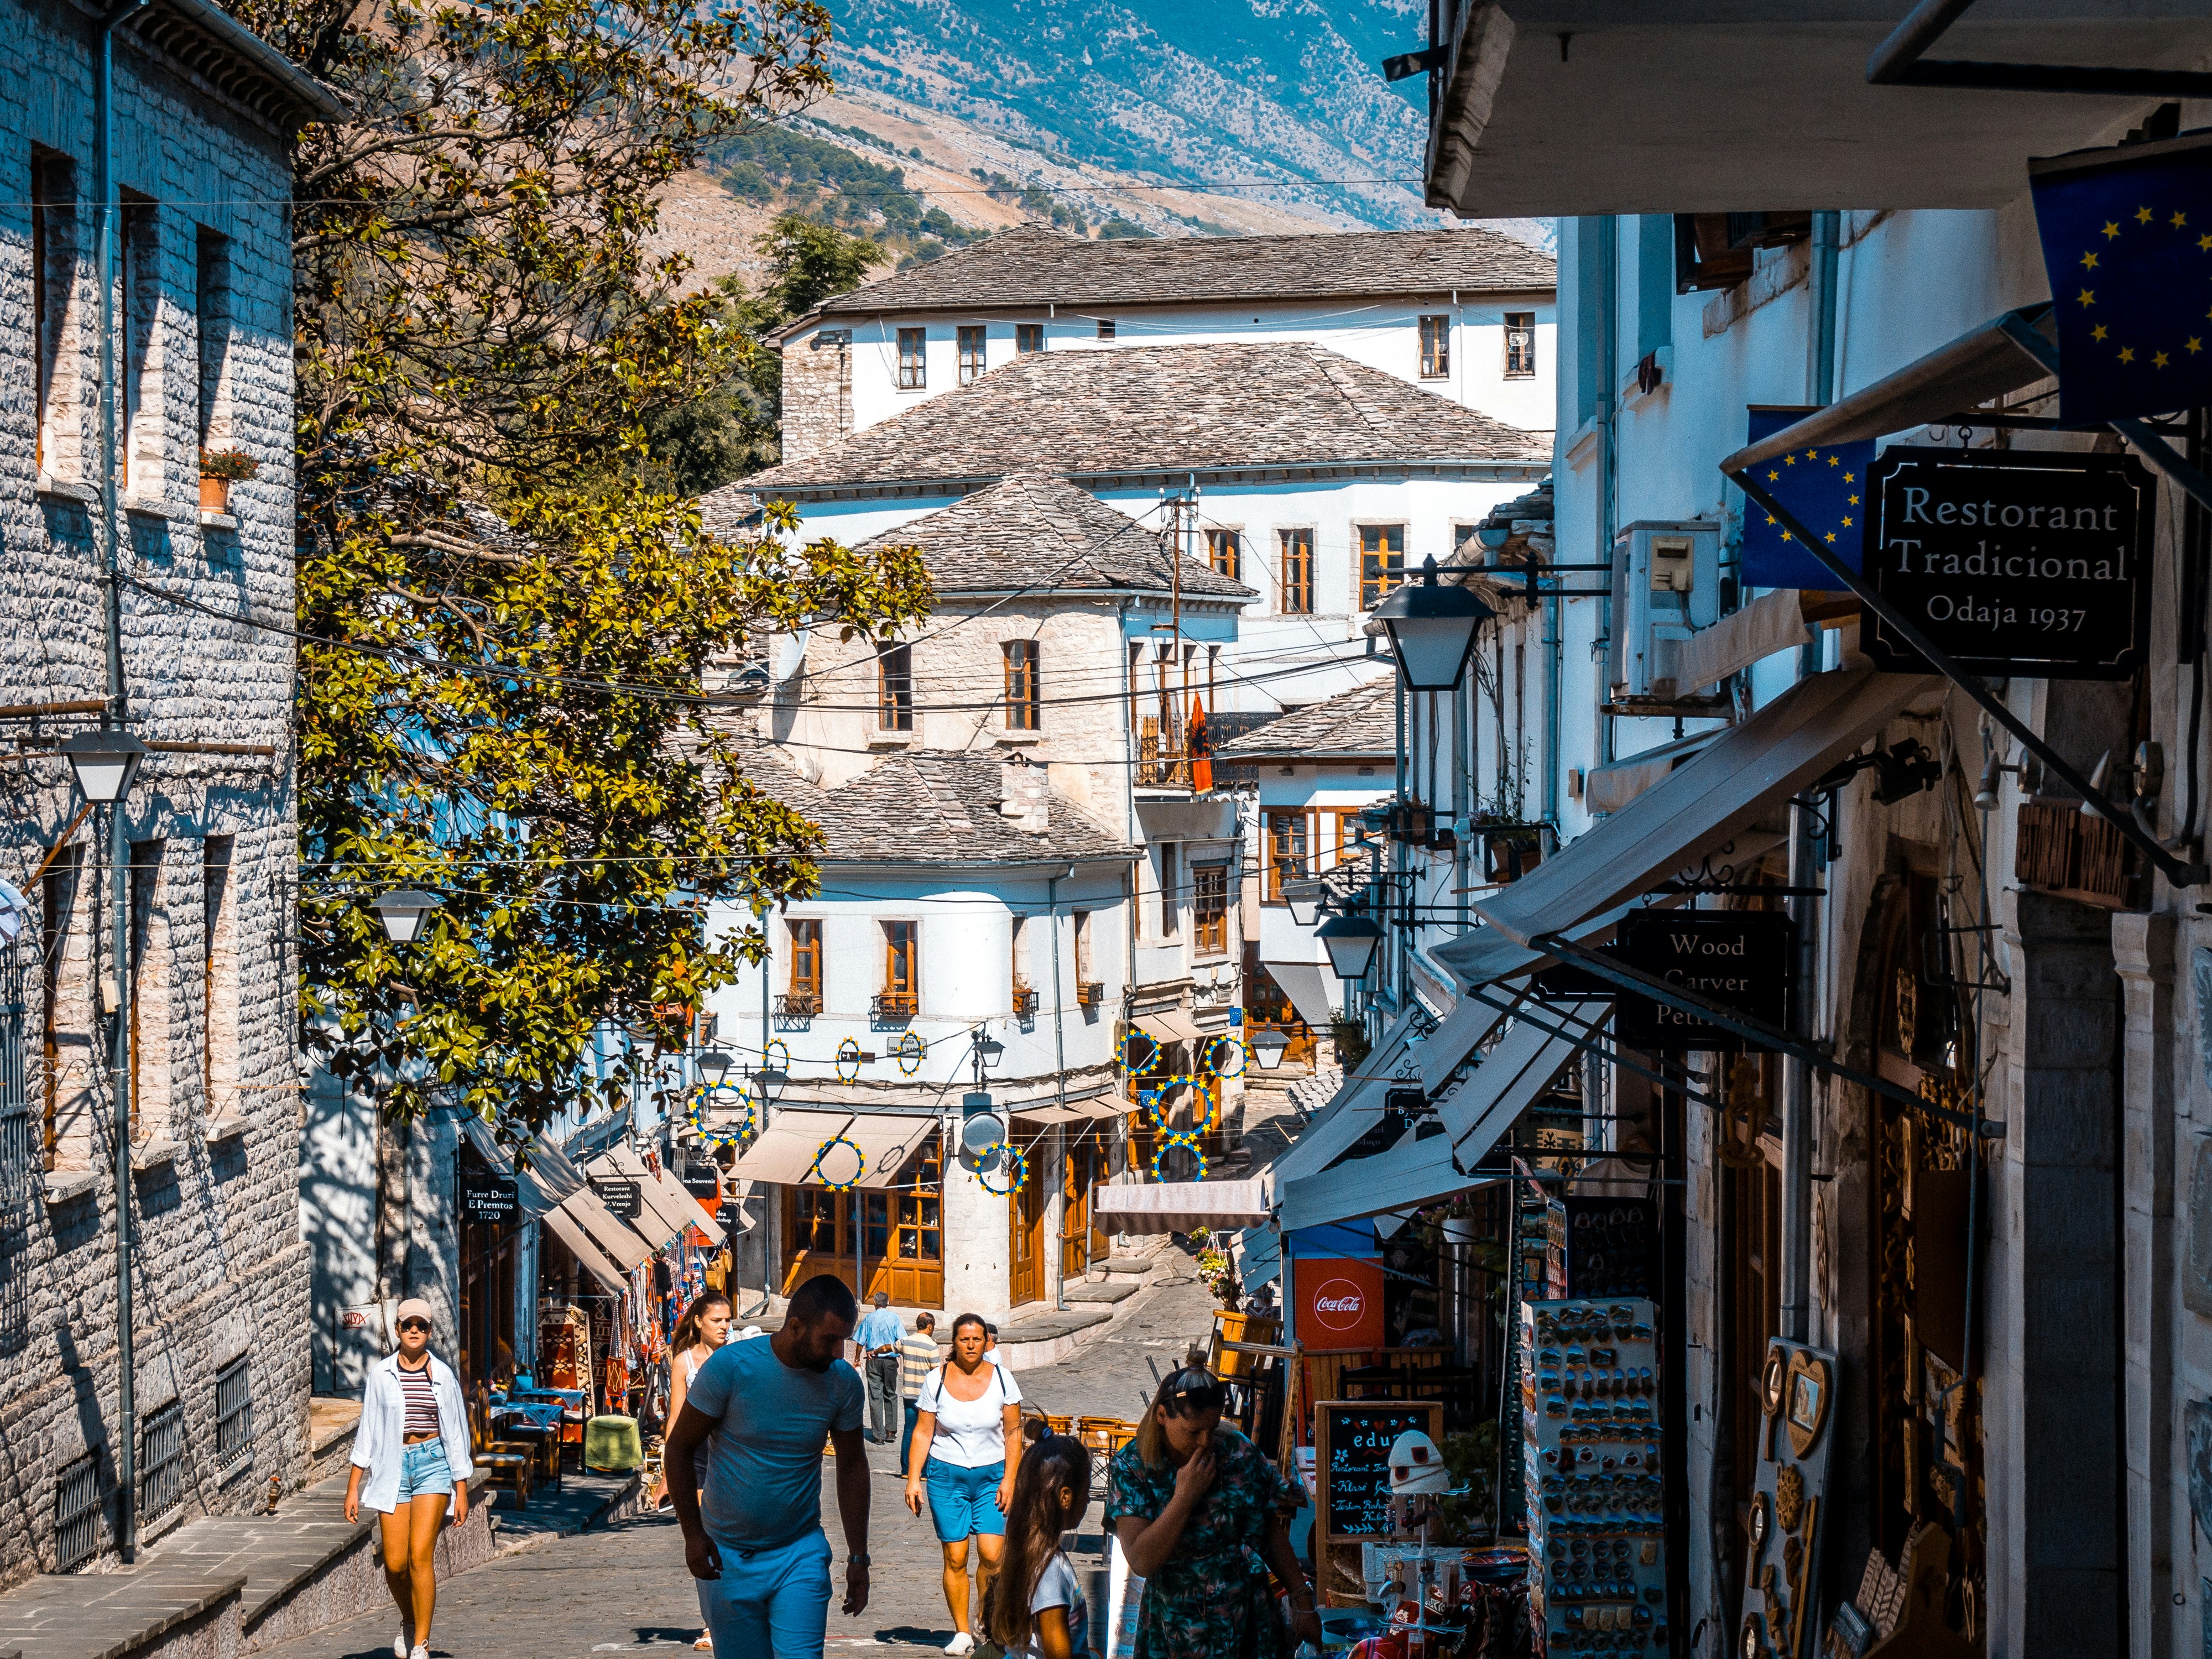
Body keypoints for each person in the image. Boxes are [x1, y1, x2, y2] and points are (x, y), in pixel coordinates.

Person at [665, 1274, 873, 1659]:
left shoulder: (842, 1383)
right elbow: (678, 1448)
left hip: (800, 1553)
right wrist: (693, 1535)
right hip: (727, 1558)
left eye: (844, 1339)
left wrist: (859, 1556)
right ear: (795, 1327)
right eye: (829, 1340)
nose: (839, 1353)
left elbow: (852, 1467)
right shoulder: (732, 1368)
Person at [1104, 1366, 1323, 1659]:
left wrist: (1302, 1598)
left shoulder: (1236, 1450)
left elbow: (1268, 1532)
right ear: (1161, 1416)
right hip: (1177, 1628)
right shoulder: (1133, 1467)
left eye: (1213, 1428)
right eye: (1194, 1431)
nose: (1205, 1442)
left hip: (1249, 1621)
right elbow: (1142, 1560)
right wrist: (1185, 1496)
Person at [343, 1298, 473, 1659]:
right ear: (397, 1330)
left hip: (433, 1464)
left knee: (420, 1556)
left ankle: (422, 1644)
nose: (415, 1331)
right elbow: (368, 1431)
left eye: (422, 1325)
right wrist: (354, 1487)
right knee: (395, 1563)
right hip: (391, 1466)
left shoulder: (443, 1376)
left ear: (430, 1332)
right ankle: (409, 1619)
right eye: (408, 1325)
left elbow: (456, 1434)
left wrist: (461, 1490)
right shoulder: (381, 1375)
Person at [905, 1312, 1024, 1657]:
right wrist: (914, 1479)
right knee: (955, 1556)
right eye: (964, 1339)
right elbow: (924, 1430)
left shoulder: (1003, 1378)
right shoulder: (936, 1379)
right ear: (953, 1342)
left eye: (977, 1339)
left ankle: (988, 1622)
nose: (971, 1345)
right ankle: (962, 1631)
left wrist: (1011, 1479)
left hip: (992, 1477)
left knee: (993, 1554)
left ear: (986, 1341)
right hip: (947, 1477)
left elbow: (1015, 1432)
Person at [662, 1291, 733, 1650]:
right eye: (717, 1321)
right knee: (705, 1539)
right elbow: (675, 1418)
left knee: (736, 1540)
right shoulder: (684, 1363)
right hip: (700, 1458)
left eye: (727, 1320)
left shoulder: (737, 1358)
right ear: (698, 1322)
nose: (725, 1327)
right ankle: (711, 1624)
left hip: (734, 1458)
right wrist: (666, 1472)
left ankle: (738, 1613)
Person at [984, 1434, 1095, 1658]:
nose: (1089, 1501)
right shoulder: (1051, 1574)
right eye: (1087, 1492)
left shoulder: (1029, 1551)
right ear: (1066, 1497)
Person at [852, 1290, 905, 1444]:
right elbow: (902, 1341)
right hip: (890, 1361)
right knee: (891, 1394)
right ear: (888, 1303)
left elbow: (860, 1342)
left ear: (874, 1303)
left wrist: (857, 1358)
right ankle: (890, 1431)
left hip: (873, 1360)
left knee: (875, 1396)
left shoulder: (869, 1319)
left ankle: (879, 1435)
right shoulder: (894, 1318)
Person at [897, 1312, 940, 1474]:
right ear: (929, 1327)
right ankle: (923, 1470)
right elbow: (936, 1372)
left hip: (909, 1394)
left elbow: (890, 1347)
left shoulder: (906, 1341)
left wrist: (876, 1352)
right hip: (926, 1398)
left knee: (909, 1431)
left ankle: (906, 1468)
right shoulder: (931, 1346)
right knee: (927, 1432)